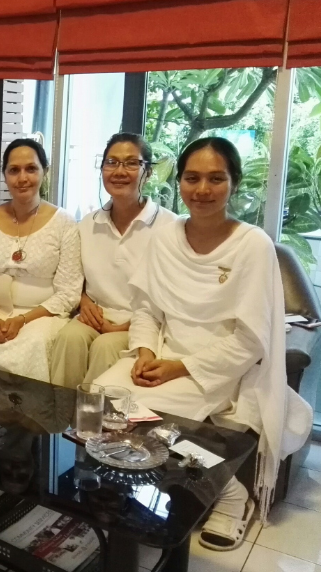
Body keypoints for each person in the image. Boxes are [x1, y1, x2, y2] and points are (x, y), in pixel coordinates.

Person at [93, 137, 312, 549]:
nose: (203, 189)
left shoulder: (253, 245)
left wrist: (179, 367)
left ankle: (232, 497)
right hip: (163, 354)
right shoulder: (165, 237)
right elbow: (147, 309)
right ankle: (137, 482)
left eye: (216, 178)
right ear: (179, 182)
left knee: (161, 416)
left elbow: (251, 339)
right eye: (192, 178)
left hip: (224, 367)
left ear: (234, 183)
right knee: (101, 395)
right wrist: (145, 352)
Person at [52, 133, 177, 388]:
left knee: (106, 346)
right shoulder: (87, 225)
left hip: (144, 322)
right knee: (69, 337)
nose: (119, 171)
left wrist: (125, 327)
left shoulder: (170, 227)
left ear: (147, 173)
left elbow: (171, 294)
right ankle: (59, 410)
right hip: (96, 316)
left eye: (131, 163)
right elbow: (74, 278)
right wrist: (84, 301)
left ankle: (95, 413)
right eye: (111, 162)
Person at [0, 139, 83, 383]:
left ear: (45, 171)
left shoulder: (64, 223)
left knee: (33, 343)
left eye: (31, 169)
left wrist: (22, 320)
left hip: (40, 317)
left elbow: (69, 292)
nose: (22, 178)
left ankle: (30, 408)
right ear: (4, 175)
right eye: (14, 170)